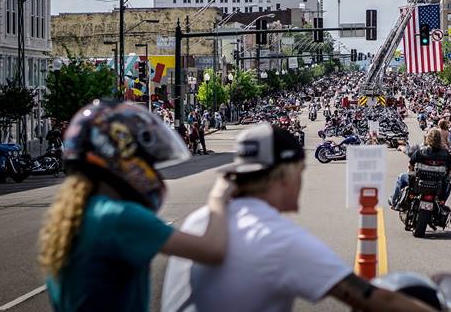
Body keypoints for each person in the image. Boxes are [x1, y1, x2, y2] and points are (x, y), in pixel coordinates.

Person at [162, 124, 435, 312]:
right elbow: (378, 301)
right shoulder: (277, 239)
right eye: (301, 171)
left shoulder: (201, 220)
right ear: (286, 175)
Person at [39, 100, 234, 312]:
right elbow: (212, 250)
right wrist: (218, 197)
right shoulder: (119, 217)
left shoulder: (73, 216)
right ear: (121, 158)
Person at [390, 129, 451, 209]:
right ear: (439, 139)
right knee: (449, 185)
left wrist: (412, 175)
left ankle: (395, 202)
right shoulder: (446, 154)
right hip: (438, 185)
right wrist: (446, 177)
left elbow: (410, 166)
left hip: (418, 183)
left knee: (401, 177)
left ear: (428, 138)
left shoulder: (420, 151)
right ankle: (441, 203)